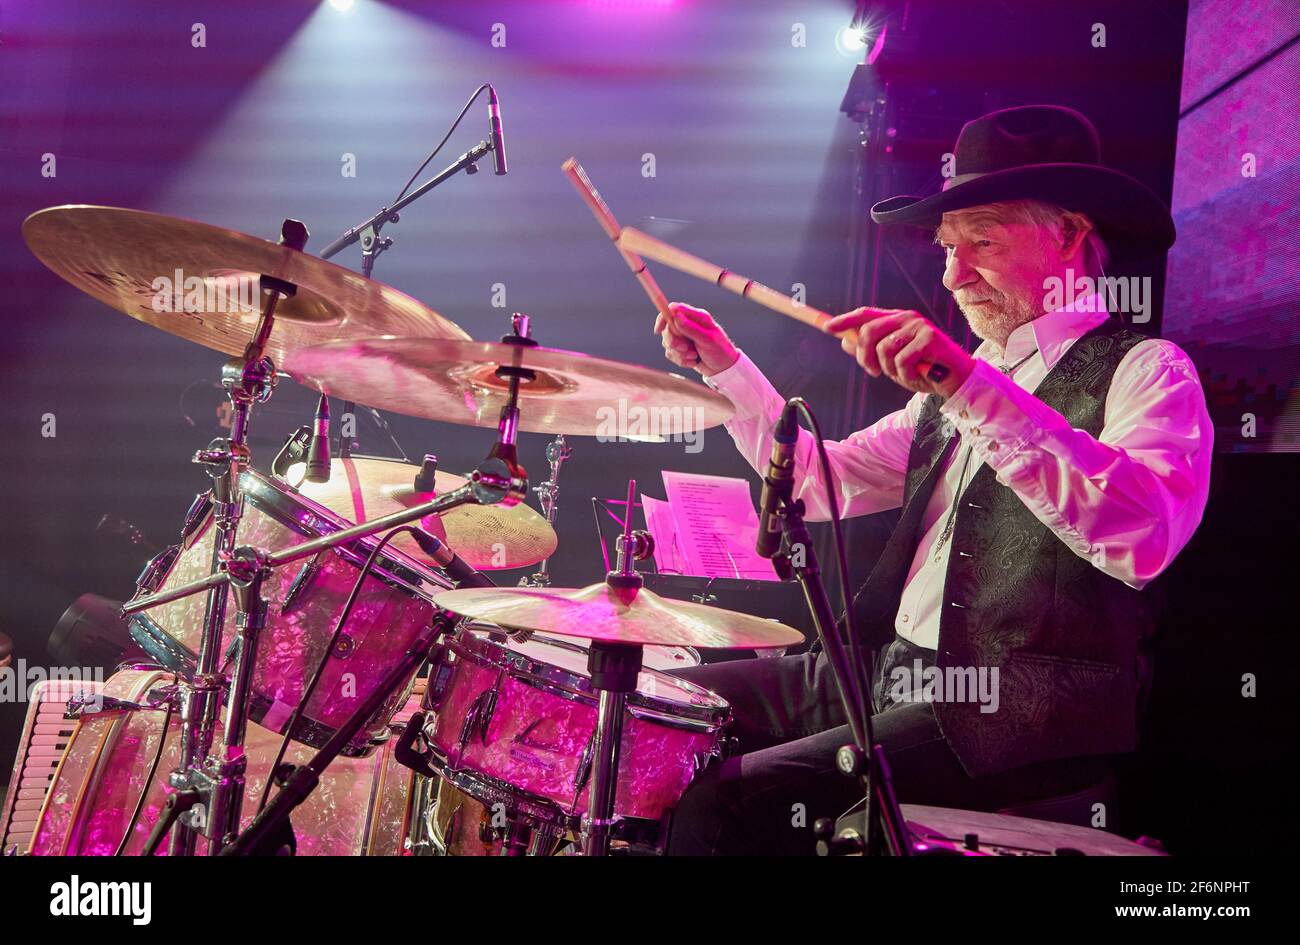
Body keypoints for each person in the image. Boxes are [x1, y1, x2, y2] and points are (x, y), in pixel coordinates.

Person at [656, 105, 1213, 856]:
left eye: (981, 240)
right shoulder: (956, 389)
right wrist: (725, 367)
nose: (952, 275)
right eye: (948, 249)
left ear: (1072, 236)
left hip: (1010, 711)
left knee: (726, 807)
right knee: (661, 707)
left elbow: (1141, 535)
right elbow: (822, 482)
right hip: (885, 666)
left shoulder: (1146, 370)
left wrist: (968, 386)